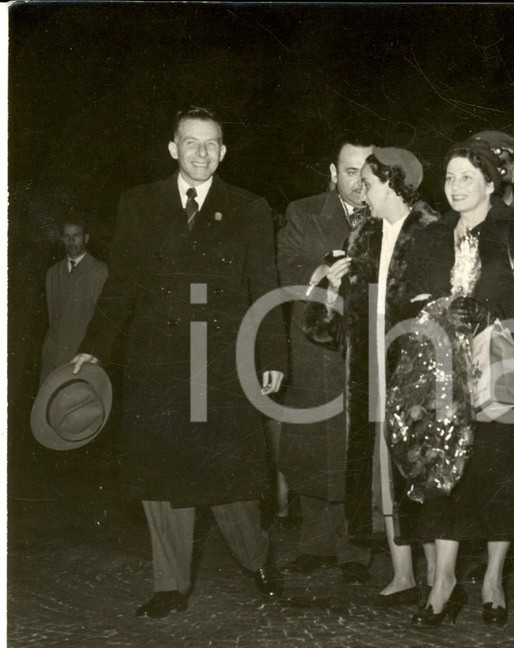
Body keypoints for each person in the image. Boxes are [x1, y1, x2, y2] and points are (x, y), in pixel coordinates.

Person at [72, 106, 287, 618]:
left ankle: (256, 558)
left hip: (222, 358)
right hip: (159, 361)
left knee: (229, 473)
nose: (201, 152)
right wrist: (95, 345)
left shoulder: (250, 208)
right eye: (191, 142)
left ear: (224, 151)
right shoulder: (139, 204)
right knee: (162, 474)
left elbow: (266, 286)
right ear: (173, 148)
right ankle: (171, 584)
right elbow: (120, 285)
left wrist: (272, 354)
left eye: (211, 143)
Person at [398, 142, 514, 628]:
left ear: (493, 183)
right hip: (442, 371)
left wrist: (494, 312)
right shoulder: (431, 238)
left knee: (499, 474)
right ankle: (443, 581)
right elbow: (409, 301)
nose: (455, 187)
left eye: (467, 177)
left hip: (500, 367)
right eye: (449, 178)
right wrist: (433, 309)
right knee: (443, 470)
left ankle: (493, 579)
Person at [300, 147, 440, 605]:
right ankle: (403, 573)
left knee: (419, 474)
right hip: (369, 371)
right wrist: (331, 289)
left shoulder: (431, 234)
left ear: (396, 185)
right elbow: (326, 329)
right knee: (381, 472)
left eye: (371, 182)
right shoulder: (364, 235)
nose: (362, 190)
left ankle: (440, 576)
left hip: (415, 373)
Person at [277, 137, 376, 584]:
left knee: (358, 450)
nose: (359, 182)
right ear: (333, 173)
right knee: (314, 448)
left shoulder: (386, 212)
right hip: (315, 347)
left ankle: (355, 549)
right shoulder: (303, 212)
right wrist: (320, 272)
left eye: (366, 172)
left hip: (365, 350)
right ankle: (313, 545)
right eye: (350, 172)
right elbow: (281, 266)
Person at [41, 214, 108, 382]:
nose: (71, 241)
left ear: (86, 238)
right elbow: (52, 320)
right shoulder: (53, 273)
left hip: (83, 358)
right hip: (54, 358)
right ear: (62, 239)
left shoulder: (100, 271)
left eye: (76, 236)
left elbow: (104, 322)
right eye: (67, 236)